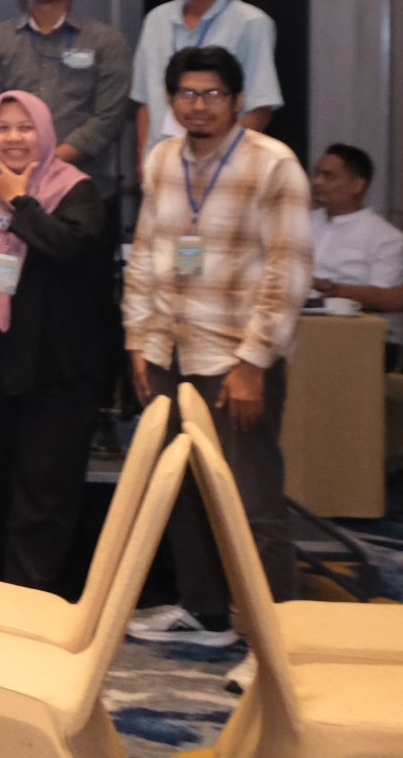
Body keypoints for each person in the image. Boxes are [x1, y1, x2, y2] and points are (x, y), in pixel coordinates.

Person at [124, 46, 311, 644]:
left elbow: (289, 270)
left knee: (251, 502)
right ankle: (205, 612)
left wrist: (254, 362)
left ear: (236, 101)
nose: (198, 105)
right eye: (187, 93)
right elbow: (145, 253)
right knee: (180, 489)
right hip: (167, 353)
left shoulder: (273, 164)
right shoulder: (161, 159)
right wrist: (138, 341)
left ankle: (277, 641)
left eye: (212, 94)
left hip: (233, 361)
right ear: (170, 99)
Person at [0, 91, 117, 592]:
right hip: (1, 367)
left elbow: (68, 247)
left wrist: (21, 202)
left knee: (44, 494)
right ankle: (10, 596)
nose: (13, 137)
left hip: (59, 370)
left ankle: (30, 604)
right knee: (6, 487)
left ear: (46, 132)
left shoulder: (77, 190)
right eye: (2, 127)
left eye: (25, 127)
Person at [0, 0, 134, 201]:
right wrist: (26, 164)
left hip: (87, 189)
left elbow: (109, 117)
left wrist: (50, 162)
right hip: (13, 189)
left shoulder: (105, 40)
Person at [132, 0, 284, 155]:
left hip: (221, 161)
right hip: (162, 159)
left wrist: (218, 160)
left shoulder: (252, 23)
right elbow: (145, 102)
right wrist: (144, 160)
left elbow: (259, 108)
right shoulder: (156, 20)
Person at [308, 144, 403, 358]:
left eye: (328, 176)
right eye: (317, 174)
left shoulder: (385, 237)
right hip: (305, 328)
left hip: (361, 338)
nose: (317, 182)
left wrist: (334, 290)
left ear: (357, 185)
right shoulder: (304, 222)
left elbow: (386, 300)